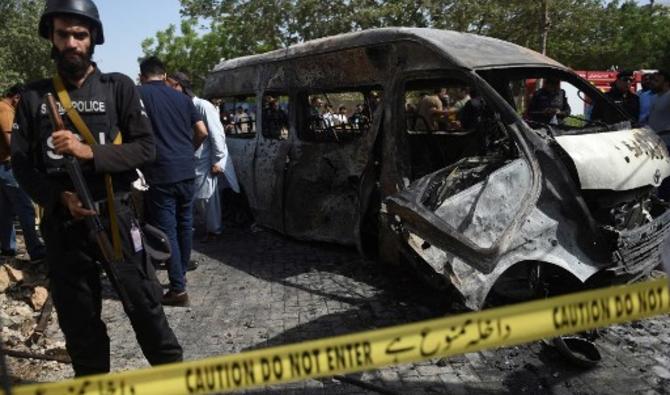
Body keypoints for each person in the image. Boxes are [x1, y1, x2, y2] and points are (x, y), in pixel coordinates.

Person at [10, 0, 182, 376]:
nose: (71, 43)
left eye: (79, 34)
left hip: (116, 218)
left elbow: (146, 148)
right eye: (63, 34)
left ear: (93, 40)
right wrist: (57, 197)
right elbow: (21, 163)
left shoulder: (117, 87)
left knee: (147, 309)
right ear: (52, 40)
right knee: (80, 325)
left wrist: (90, 152)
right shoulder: (35, 97)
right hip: (64, 225)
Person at [138, 57, 208, 306]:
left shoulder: (138, 95)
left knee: (167, 230)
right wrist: (187, 152)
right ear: (164, 74)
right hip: (186, 169)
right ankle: (181, 274)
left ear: (142, 75)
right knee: (185, 223)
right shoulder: (183, 98)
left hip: (160, 173)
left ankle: (178, 289)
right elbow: (202, 131)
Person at [167, 72, 239, 241]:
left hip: (206, 160)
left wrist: (218, 161)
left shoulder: (203, 106)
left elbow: (216, 134)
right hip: (192, 161)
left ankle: (214, 230)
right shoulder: (181, 105)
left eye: (170, 86)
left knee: (208, 197)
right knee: (197, 198)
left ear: (179, 86)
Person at [0, 84, 46, 261]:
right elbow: (12, 142)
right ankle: (35, 249)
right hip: (8, 167)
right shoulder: (5, 111)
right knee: (25, 208)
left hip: (2, 167)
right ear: (17, 97)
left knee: (5, 210)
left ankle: (7, 247)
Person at [649, 70, 670, 136]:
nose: (652, 82)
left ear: (666, 83)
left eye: (656, 81)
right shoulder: (654, 97)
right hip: (654, 138)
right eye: (653, 80)